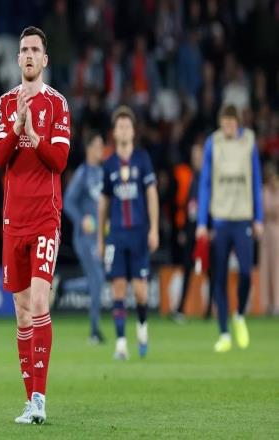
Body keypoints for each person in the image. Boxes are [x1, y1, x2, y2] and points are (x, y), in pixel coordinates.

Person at [0, 26, 70, 425]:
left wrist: (34, 135)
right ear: (17, 58)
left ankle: (40, 398)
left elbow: (59, 161)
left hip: (44, 217)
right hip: (13, 220)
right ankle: (29, 402)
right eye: (23, 49)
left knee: (40, 302)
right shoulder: (6, 103)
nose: (28, 55)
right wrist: (17, 126)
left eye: (35, 50)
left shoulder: (57, 104)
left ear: (45, 60)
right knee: (22, 312)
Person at [197, 104, 263, 353]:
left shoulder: (249, 141)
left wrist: (258, 218)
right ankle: (224, 333)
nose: (227, 128)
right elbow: (205, 183)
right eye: (224, 124)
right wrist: (202, 222)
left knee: (246, 272)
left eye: (231, 124)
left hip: (243, 217)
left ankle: (239, 314)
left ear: (238, 123)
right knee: (219, 277)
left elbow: (255, 180)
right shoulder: (213, 143)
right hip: (221, 219)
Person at [98, 106, 159, 360]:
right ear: (114, 132)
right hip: (117, 234)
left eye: (127, 126)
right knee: (118, 289)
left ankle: (142, 329)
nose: (123, 130)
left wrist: (154, 229)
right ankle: (121, 344)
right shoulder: (108, 164)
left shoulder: (142, 159)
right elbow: (103, 202)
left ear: (133, 131)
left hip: (139, 234)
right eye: (119, 126)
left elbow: (151, 194)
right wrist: (101, 238)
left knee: (141, 291)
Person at [64, 132, 105, 344]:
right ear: (89, 149)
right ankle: (94, 331)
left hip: (99, 238)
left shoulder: (102, 172)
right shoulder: (83, 173)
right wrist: (82, 220)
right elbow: (68, 202)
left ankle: (64, 288)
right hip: (84, 238)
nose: (101, 150)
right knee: (97, 279)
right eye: (98, 146)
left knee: (97, 280)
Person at [172, 142, 214, 322]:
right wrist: (183, 230)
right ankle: (181, 309)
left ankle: (210, 310)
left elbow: (214, 207)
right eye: (194, 156)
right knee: (187, 268)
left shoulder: (210, 179)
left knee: (210, 271)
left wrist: (212, 229)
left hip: (206, 232)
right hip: (191, 231)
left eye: (199, 156)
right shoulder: (191, 179)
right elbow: (187, 206)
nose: (196, 159)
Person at [259, 161, 279, 315]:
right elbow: (261, 211)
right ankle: (266, 304)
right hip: (265, 233)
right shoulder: (262, 192)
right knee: (265, 267)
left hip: (277, 231)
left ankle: (277, 303)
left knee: (277, 267)